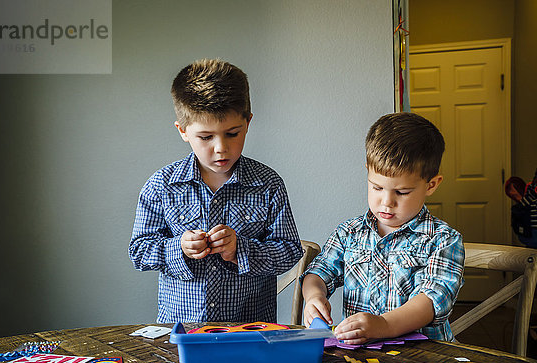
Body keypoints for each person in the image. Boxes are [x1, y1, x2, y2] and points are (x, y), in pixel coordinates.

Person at [129, 59, 302, 323]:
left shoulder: (268, 184)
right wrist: (179, 248)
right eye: (206, 137)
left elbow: (289, 250)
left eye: (233, 133)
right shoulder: (161, 185)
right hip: (182, 332)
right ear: (183, 131)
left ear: (248, 122)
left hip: (251, 331)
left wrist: (240, 250)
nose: (221, 148)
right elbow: (140, 251)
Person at [301, 112, 464, 343]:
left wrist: (384, 325)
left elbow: (432, 300)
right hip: (363, 358)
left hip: (425, 358)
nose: (387, 202)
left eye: (402, 192)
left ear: (431, 184)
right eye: (377, 188)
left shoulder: (443, 239)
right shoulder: (349, 233)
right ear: (367, 170)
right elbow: (318, 272)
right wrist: (314, 296)